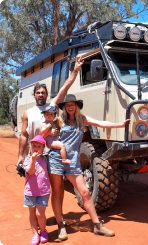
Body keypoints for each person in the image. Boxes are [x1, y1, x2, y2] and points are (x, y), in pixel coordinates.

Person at [47, 94, 130, 241]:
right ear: (65, 107)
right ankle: (61, 225)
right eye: (67, 105)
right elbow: (46, 136)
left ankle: (97, 225)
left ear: (76, 106)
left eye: (72, 104)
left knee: (85, 192)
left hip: (73, 161)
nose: (70, 106)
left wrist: (120, 125)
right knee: (56, 192)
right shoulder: (59, 121)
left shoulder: (82, 120)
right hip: (56, 160)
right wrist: (50, 135)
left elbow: (101, 123)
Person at [17, 56, 84, 224]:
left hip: (52, 154)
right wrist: (20, 155)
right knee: (37, 187)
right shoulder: (28, 113)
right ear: (34, 95)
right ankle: (40, 220)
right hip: (36, 156)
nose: (41, 95)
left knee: (57, 188)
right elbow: (24, 135)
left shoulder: (53, 106)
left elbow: (65, 86)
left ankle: (58, 217)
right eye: (38, 92)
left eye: (43, 92)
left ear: (47, 95)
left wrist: (76, 69)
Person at [23, 135, 50, 245]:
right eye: (34, 145)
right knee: (32, 214)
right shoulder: (27, 160)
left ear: (43, 148)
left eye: (39, 146)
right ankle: (35, 234)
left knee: (40, 214)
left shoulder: (45, 159)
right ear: (30, 146)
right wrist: (33, 160)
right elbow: (30, 171)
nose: (36, 148)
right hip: (30, 191)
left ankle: (43, 231)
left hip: (43, 191)